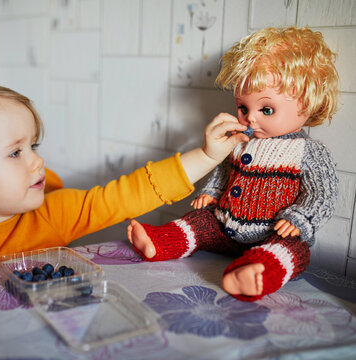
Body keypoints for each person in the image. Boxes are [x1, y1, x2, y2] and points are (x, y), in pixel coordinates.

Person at [0, 84, 249, 284]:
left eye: (34, 146)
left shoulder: (54, 213)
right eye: (15, 153)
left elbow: (131, 192)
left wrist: (207, 154)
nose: (37, 160)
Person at [128, 26, 339, 302]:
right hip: (226, 225)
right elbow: (224, 170)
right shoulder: (239, 140)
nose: (250, 118)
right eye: (243, 107)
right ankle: (162, 242)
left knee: (293, 249)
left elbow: (322, 193)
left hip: (271, 231)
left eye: (266, 109)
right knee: (200, 223)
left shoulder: (307, 151)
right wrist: (211, 192)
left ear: (306, 104)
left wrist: (300, 219)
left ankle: (258, 271)